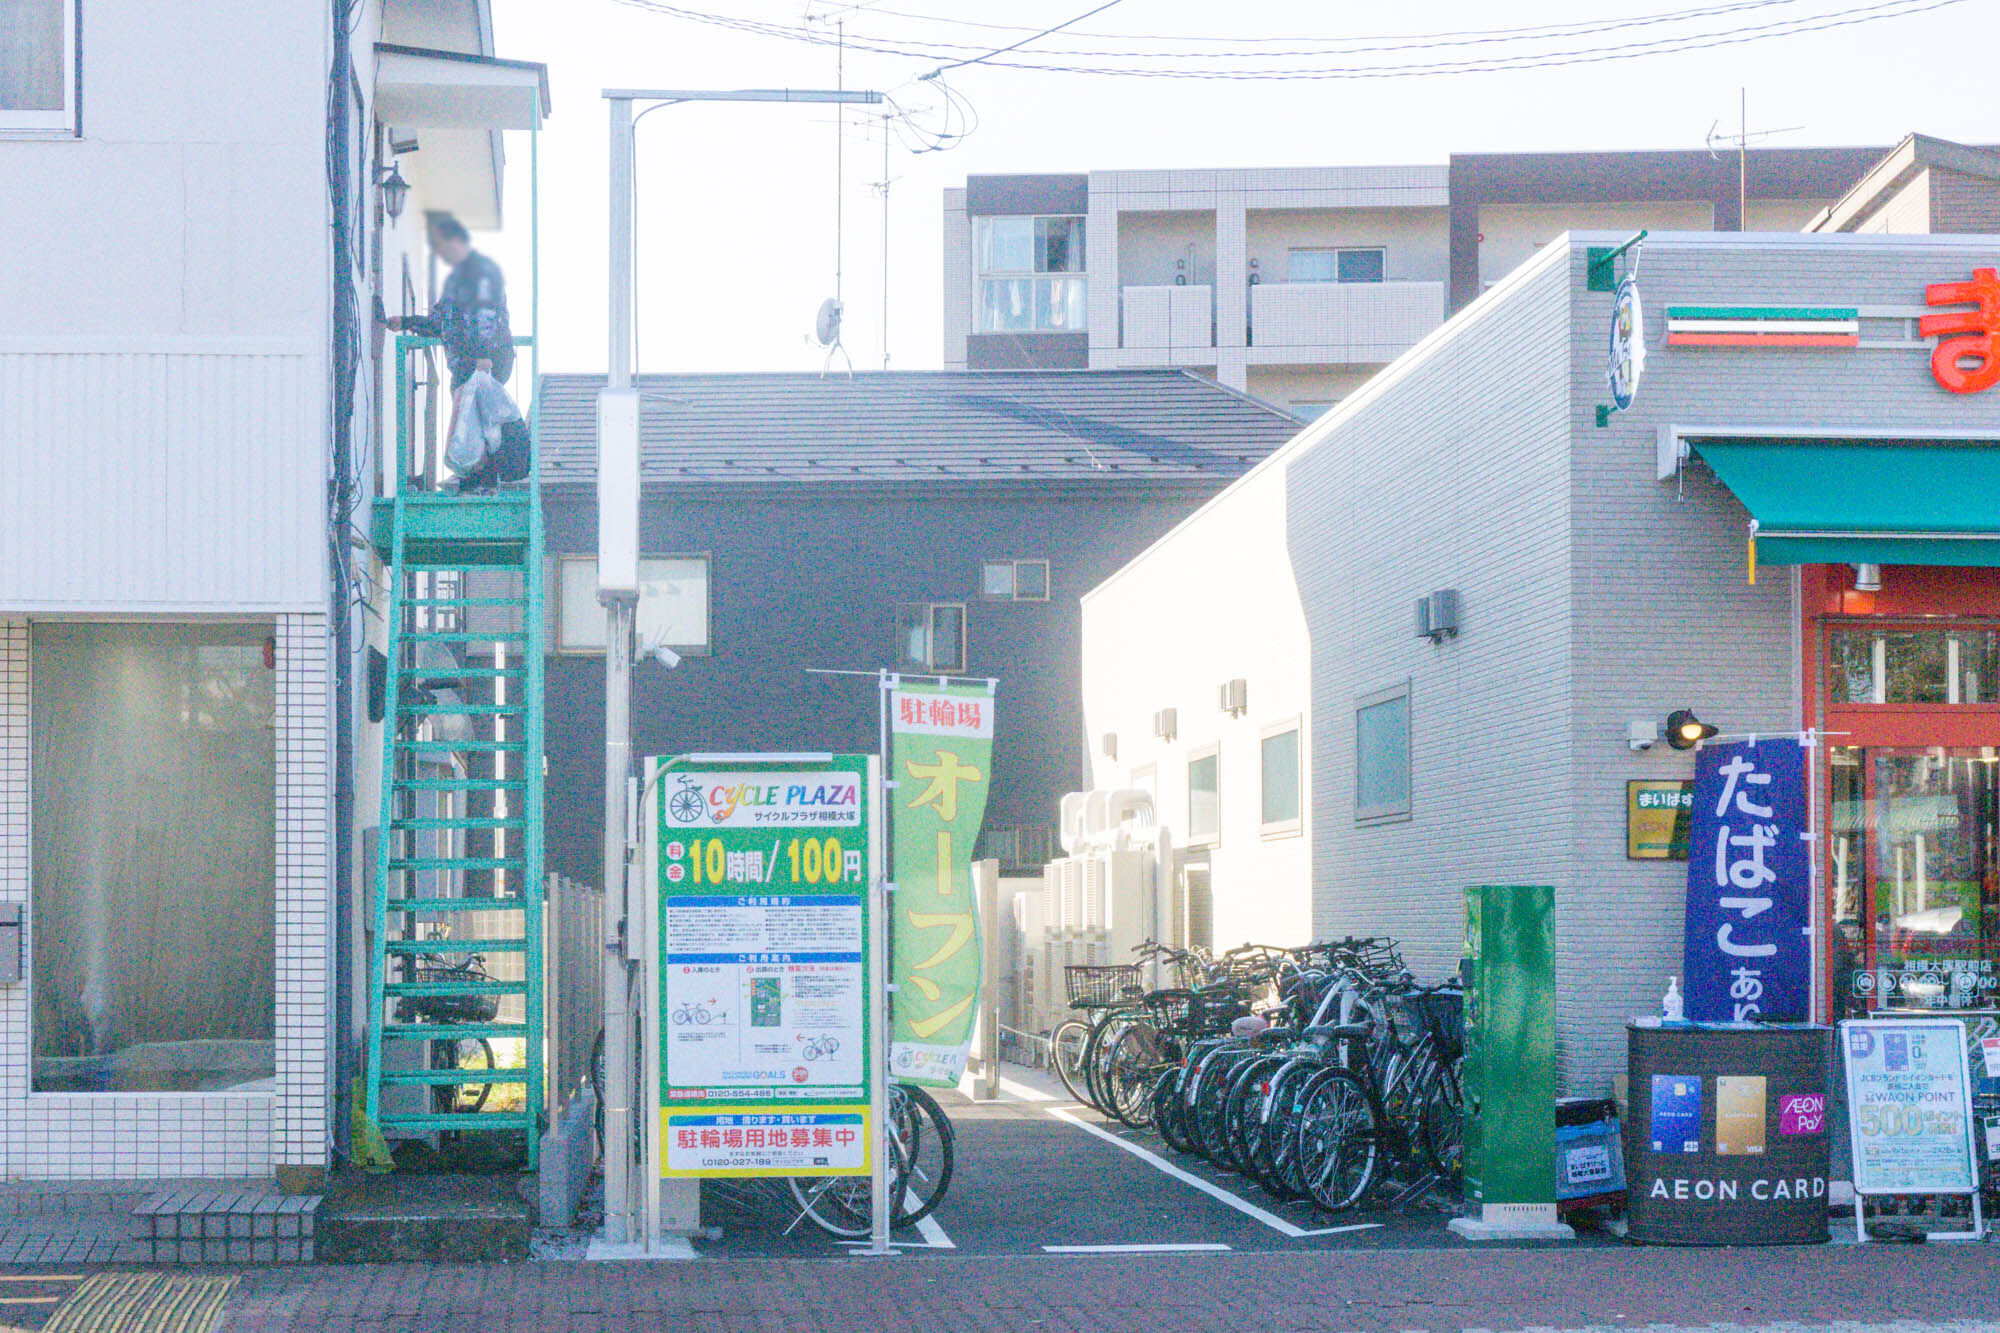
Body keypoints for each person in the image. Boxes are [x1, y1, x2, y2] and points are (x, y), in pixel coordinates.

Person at [386, 215, 526, 491]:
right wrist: (406, 322)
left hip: (481, 363)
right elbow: (442, 322)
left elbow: (488, 318)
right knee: (471, 423)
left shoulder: (479, 274)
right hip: (469, 364)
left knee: (478, 423)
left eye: (443, 246)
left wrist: (483, 360)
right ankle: (473, 479)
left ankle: (482, 480)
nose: (442, 253)